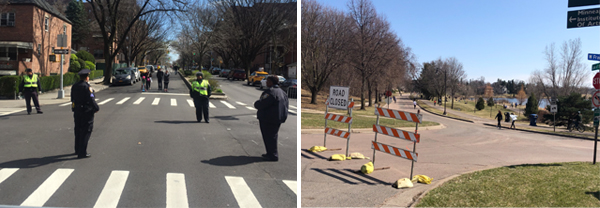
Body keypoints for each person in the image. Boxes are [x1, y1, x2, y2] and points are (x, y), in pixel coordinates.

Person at [254, 76, 288, 162]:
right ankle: (270, 153)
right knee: (272, 136)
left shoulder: (270, 92)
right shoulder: (282, 92)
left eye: (268, 81)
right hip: (278, 118)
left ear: (272, 82)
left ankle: (272, 155)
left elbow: (261, 104)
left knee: (269, 136)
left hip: (268, 118)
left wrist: (256, 104)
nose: (266, 82)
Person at [71, 69, 99, 159]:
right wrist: (96, 108)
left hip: (77, 110)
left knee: (78, 130)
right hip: (86, 111)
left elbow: (72, 98)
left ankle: (77, 149)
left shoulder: (74, 86)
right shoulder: (87, 87)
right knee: (86, 131)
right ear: (87, 77)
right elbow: (91, 99)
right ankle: (82, 152)